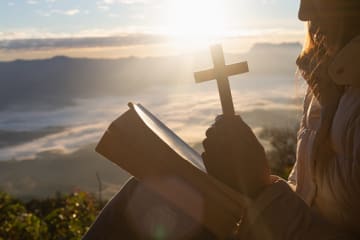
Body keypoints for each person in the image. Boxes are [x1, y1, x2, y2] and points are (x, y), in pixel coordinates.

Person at [83, 0, 360, 239]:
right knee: (157, 189)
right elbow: (304, 198)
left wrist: (259, 189)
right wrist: (241, 183)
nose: (303, 13)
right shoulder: (329, 88)